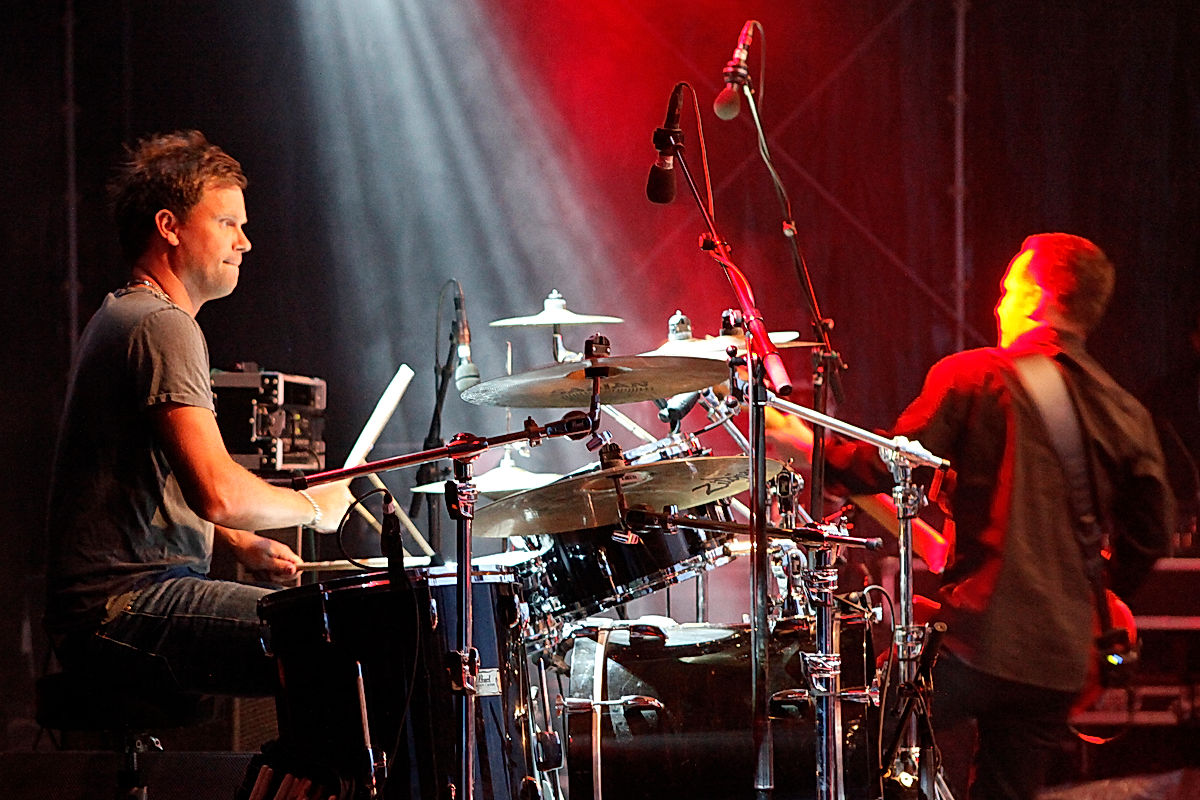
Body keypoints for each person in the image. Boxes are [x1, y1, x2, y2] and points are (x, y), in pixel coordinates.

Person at [776, 233, 1173, 799]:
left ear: (1039, 298)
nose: (998, 304)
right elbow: (1152, 533)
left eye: (1008, 288)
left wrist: (805, 446)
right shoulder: (1126, 411)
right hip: (1060, 663)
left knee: (848, 747)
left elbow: (894, 465)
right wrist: (1093, 599)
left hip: (979, 641)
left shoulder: (977, 375)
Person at [44, 130, 354, 697]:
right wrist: (312, 506)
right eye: (227, 223)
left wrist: (240, 544)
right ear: (170, 226)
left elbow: (156, 489)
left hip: (110, 604)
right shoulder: (163, 325)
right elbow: (217, 492)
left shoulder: (129, 314)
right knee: (349, 640)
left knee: (334, 633)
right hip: (125, 608)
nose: (245, 243)